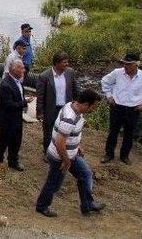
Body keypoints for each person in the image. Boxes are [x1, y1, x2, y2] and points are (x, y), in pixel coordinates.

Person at [35, 89, 105, 217]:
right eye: (92, 107)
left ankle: (88, 205)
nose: (93, 110)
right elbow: (59, 143)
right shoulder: (69, 118)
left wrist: (77, 146)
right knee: (54, 183)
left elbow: (69, 136)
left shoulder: (73, 106)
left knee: (85, 174)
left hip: (70, 153)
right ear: (85, 104)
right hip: (60, 157)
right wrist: (66, 161)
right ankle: (42, 206)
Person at [100, 49, 142, 165]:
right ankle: (109, 154)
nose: (125, 66)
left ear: (136, 64)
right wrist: (108, 96)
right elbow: (104, 81)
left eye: (128, 64)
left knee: (129, 134)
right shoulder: (117, 73)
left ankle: (124, 156)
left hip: (134, 110)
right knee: (113, 132)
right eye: (124, 63)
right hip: (117, 107)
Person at [36, 51, 79, 158]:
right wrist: (39, 111)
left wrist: (78, 104)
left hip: (66, 109)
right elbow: (40, 96)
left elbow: (75, 90)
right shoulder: (44, 76)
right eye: (64, 62)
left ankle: (62, 151)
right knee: (49, 131)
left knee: (65, 131)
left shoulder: (70, 73)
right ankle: (47, 152)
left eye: (67, 62)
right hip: (51, 109)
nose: (67, 64)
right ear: (56, 63)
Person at [0, 59, 34, 171]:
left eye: (23, 68)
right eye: (21, 68)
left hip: (16, 118)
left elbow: (17, 98)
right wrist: (25, 102)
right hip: (6, 119)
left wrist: (23, 100)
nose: (24, 70)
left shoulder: (18, 81)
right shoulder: (6, 85)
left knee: (16, 141)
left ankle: (13, 161)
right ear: (13, 69)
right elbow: (9, 105)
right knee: (3, 141)